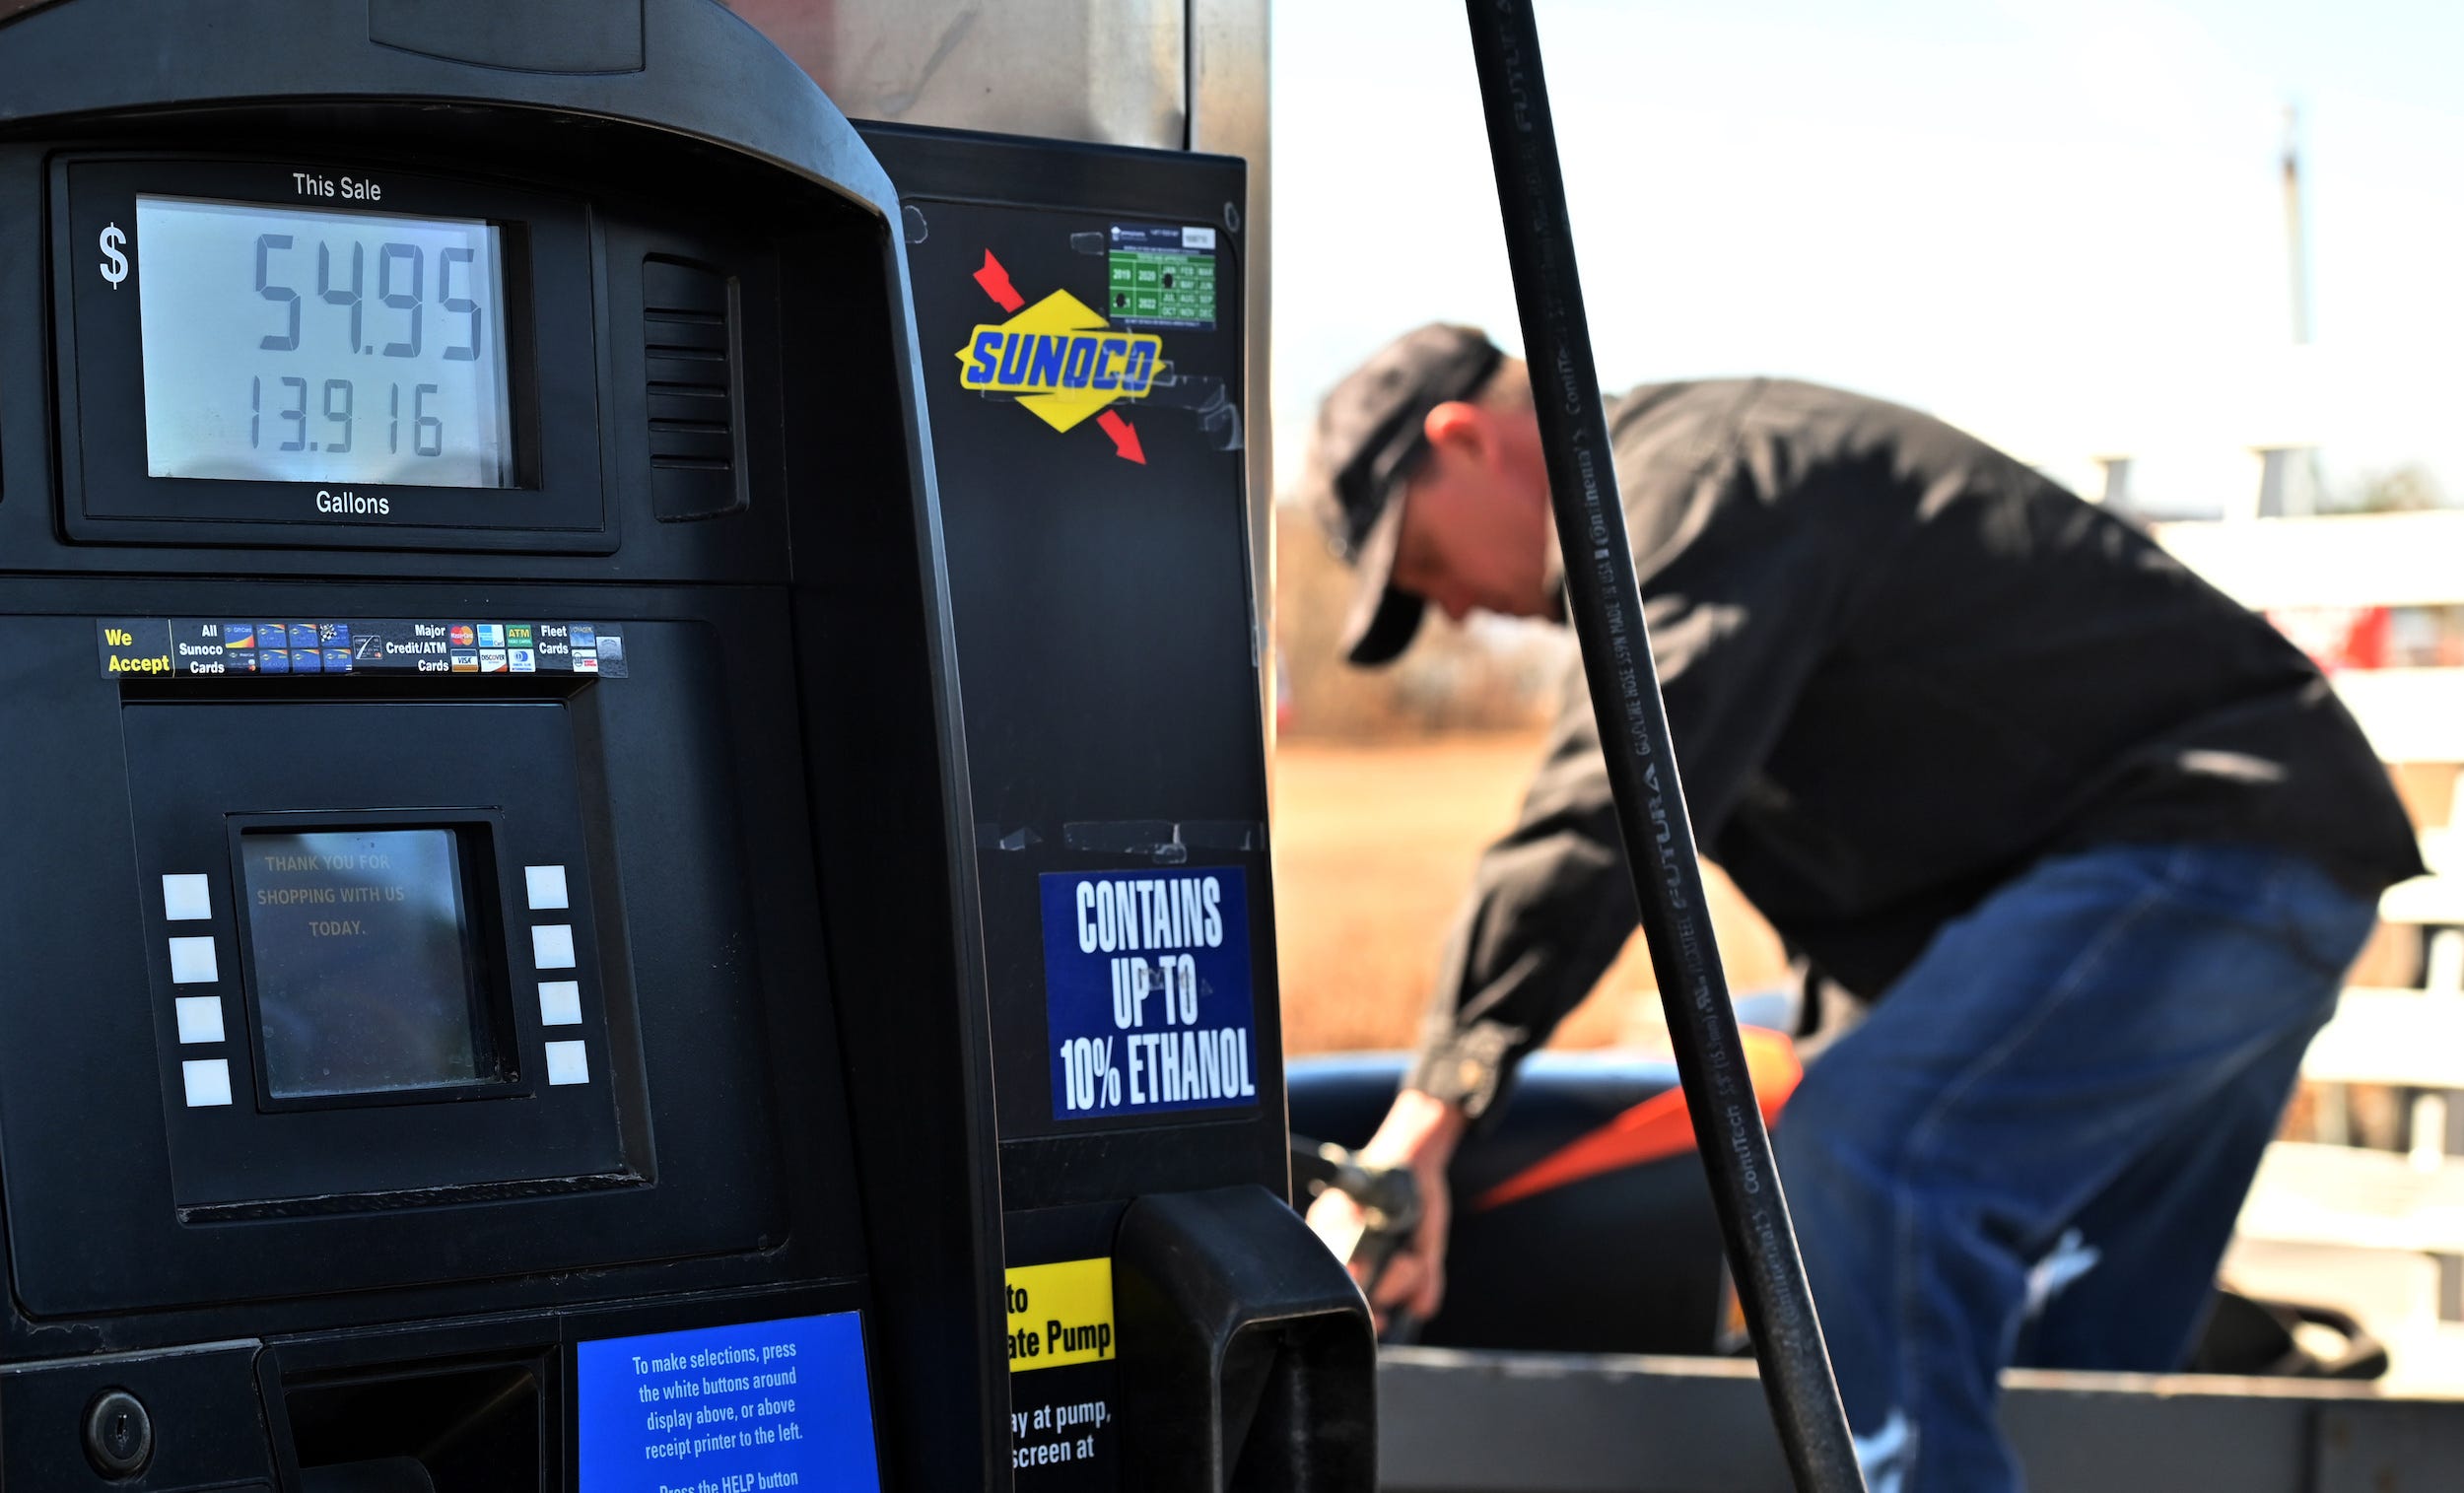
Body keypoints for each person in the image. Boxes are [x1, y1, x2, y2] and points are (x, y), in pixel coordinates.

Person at [1294, 323, 2425, 1493]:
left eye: (1425, 566)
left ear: (1464, 440)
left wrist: (1425, 1123)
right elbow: (1890, 888)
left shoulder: (1688, 488)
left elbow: (1606, 817)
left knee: (1865, 1173)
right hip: (2256, 864)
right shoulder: (1703, 495)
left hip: (2205, 852)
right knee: (2075, 1377)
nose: (1459, 614)